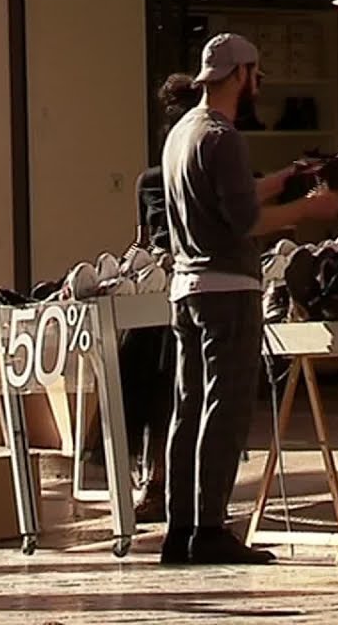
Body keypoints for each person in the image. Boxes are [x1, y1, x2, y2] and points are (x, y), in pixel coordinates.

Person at [161, 33, 338, 565]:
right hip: (228, 290)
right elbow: (245, 221)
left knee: (188, 408)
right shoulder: (224, 137)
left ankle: (181, 529)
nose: (259, 85)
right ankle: (211, 530)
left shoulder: (183, 132)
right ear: (241, 74)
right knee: (225, 409)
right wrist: (310, 209)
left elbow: (227, 196)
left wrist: (285, 179)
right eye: (256, 75)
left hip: (187, 289)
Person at [122, 72, 201, 523]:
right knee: (152, 385)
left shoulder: (201, 176)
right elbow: (144, 239)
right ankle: (154, 481)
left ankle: (168, 482)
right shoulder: (151, 182)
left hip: (191, 289)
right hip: (161, 292)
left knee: (175, 387)